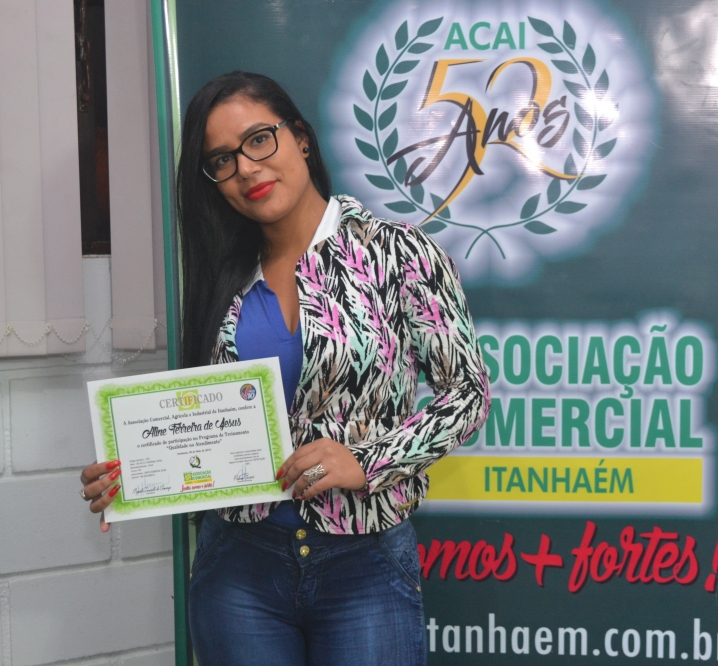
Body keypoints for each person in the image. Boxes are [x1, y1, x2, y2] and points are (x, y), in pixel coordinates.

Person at [78, 71, 490, 665]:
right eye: (222, 159)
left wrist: (368, 460)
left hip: (365, 559)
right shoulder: (215, 276)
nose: (246, 168)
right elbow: (202, 425)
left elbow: (467, 393)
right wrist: (136, 472)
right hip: (238, 567)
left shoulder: (397, 252)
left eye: (258, 139)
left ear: (299, 137)